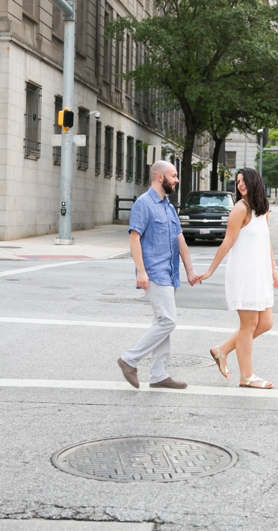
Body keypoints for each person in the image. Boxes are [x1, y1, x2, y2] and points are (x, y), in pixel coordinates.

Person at [116, 160, 199, 390]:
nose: (177, 179)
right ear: (160, 177)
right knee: (168, 320)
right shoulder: (143, 204)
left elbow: (179, 239)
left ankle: (159, 374)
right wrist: (141, 271)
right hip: (154, 272)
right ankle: (129, 359)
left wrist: (189, 270)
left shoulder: (168, 206)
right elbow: (134, 238)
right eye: (173, 175)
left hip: (169, 273)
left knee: (162, 321)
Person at [197, 167, 278, 389]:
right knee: (249, 324)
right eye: (238, 181)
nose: (240, 184)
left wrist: (274, 270)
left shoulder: (263, 209)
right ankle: (247, 376)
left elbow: (267, 241)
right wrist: (210, 270)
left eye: (243, 180)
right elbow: (227, 242)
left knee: (266, 323)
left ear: (254, 182)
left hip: (260, 273)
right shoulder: (240, 208)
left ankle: (222, 350)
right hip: (244, 273)